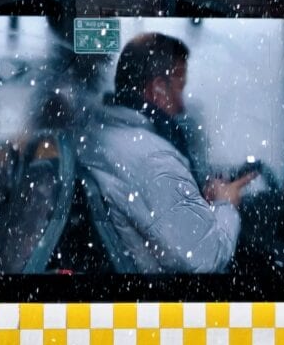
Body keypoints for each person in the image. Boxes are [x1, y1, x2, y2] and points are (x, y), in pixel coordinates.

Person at [79, 33, 256, 273]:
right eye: (180, 87)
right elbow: (207, 259)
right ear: (158, 88)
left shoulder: (100, 133)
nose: (182, 105)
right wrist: (226, 204)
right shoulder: (155, 161)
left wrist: (194, 201)